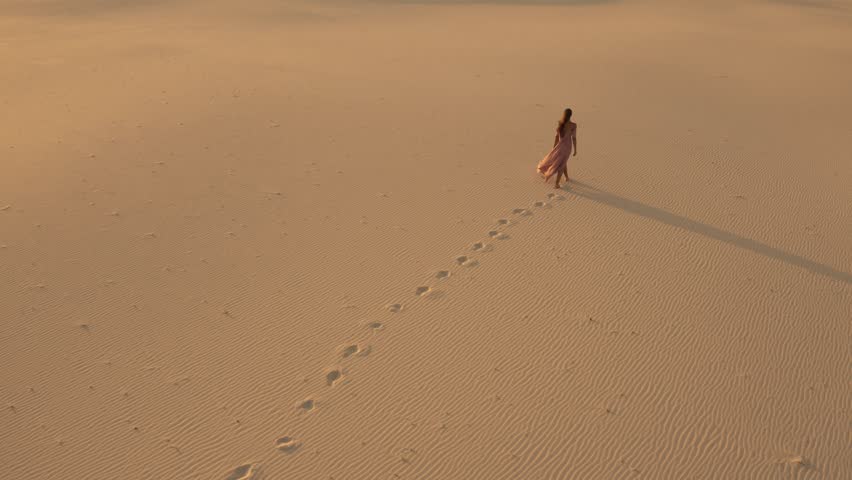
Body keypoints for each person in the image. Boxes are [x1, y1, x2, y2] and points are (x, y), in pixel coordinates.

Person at [537, 108, 577, 188]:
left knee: (563, 161)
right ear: (571, 115)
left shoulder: (560, 123)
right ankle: (557, 183)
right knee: (562, 164)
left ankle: (567, 177)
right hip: (567, 147)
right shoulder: (573, 125)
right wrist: (575, 150)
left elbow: (556, 136)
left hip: (560, 146)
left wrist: (554, 147)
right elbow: (574, 138)